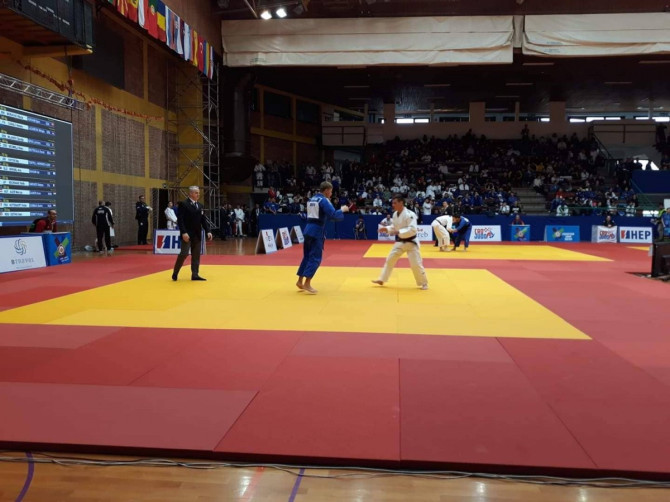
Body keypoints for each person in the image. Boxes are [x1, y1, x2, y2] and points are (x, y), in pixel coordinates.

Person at [296, 181, 349, 294]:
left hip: (308, 229)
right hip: (317, 232)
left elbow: (322, 215)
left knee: (307, 256)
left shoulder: (312, 199)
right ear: (326, 190)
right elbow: (333, 215)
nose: (331, 194)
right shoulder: (324, 200)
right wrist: (342, 210)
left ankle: (300, 281)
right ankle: (307, 283)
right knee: (315, 258)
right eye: (331, 191)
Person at [372, 195, 428, 290]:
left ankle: (424, 283)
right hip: (401, 241)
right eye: (392, 203)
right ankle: (382, 279)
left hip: (411, 242)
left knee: (415, 264)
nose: (393, 205)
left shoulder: (410, 214)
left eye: (395, 203)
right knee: (390, 259)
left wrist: (398, 231)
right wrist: (386, 229)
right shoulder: (395, 214)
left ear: (401, 203)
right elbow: (394, 227)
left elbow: (413, 229)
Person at [172, 186, 213, 281]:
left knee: (196, 255)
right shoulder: (184, 204)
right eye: (196, 193)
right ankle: (175, 272)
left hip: (197, 234)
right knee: (184, 253)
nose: (198, 194)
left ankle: (195, 274)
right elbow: (180, 220)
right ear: (190, 193)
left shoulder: (200, 205)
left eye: (198, 193)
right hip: (187, 234)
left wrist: (208, 231)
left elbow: (203, 220)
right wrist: (183, 232)